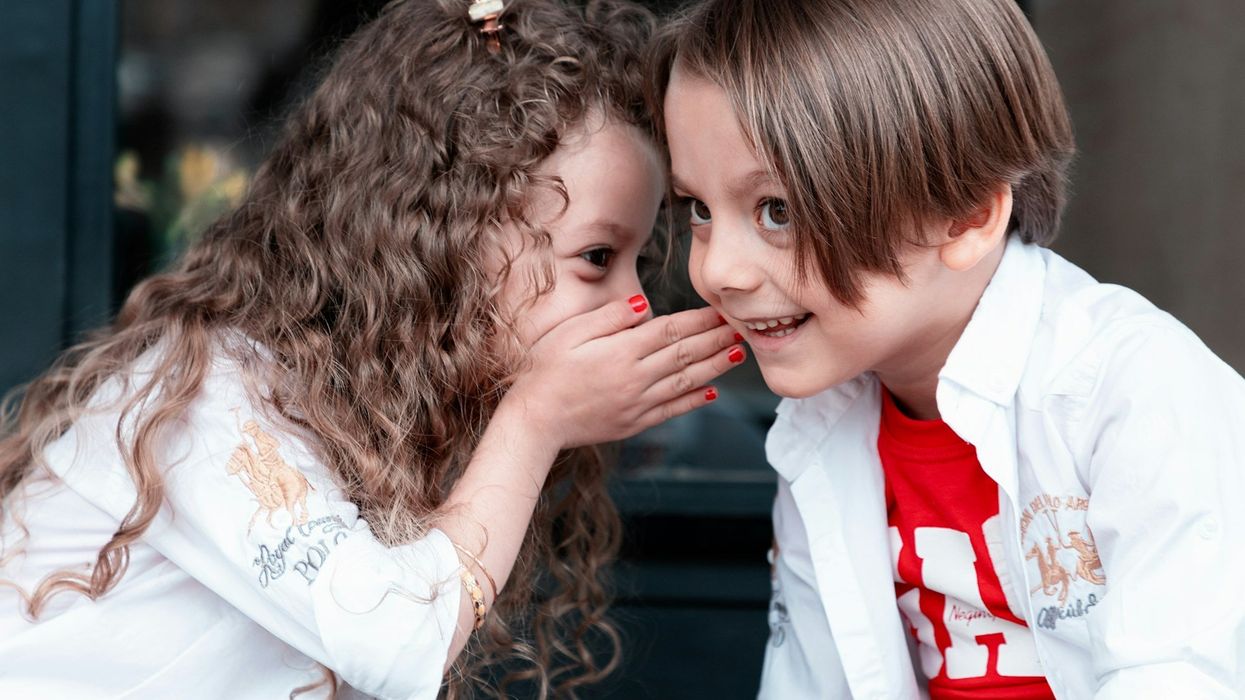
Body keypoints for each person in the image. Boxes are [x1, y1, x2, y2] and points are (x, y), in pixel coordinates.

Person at [0, 0, 746, 697]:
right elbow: (394, 642)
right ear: (447, 238)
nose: (629, 303)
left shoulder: (383, 408)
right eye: (596, 258)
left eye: (638, 263)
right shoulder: (206, 395)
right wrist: (535, 420)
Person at [650, 0, 1245, 697]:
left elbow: (1181, 677)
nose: (718, 270)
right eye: (698, 208)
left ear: (965, 216)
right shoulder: (820, 428)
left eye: (777, 210)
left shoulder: (1136, 392)